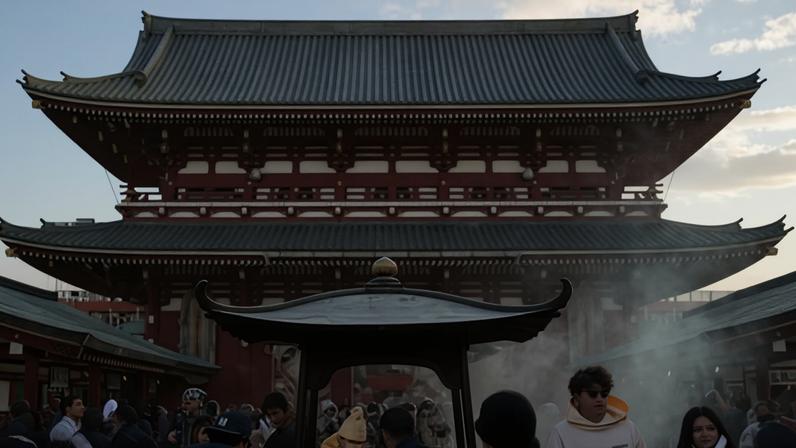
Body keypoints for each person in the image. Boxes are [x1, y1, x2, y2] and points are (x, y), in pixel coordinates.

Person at [547, 366, 645, 448]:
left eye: (604, 393)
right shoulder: (560, 434)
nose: (599, 398)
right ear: (576, 399)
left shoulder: (628, 428)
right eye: (592, 394)